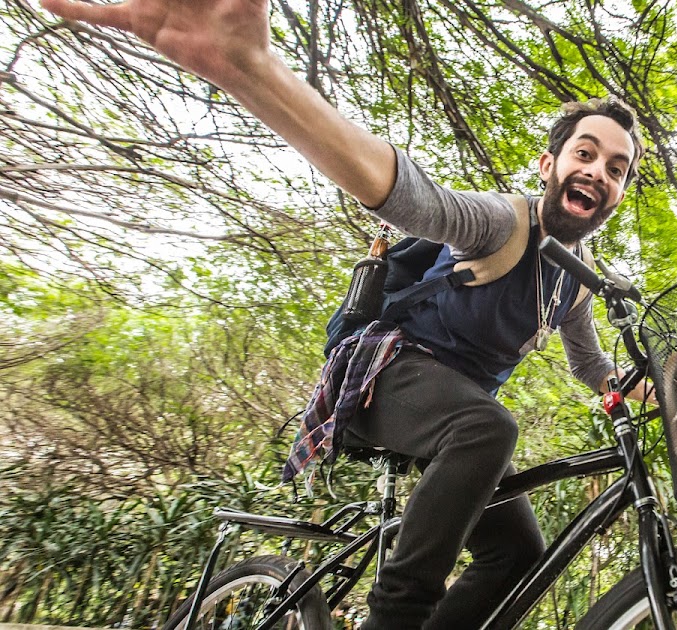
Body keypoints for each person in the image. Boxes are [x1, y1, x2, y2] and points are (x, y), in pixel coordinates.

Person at [39, 0, 646, 627]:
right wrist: (256, 72)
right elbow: (412, 199)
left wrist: (649, 386)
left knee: (518, 551)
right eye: (585, 153)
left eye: (616, 168)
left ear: (619, 193)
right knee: (488, 428)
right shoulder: (500, 221)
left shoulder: (573, 286)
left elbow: (592, 363)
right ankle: (393, 618)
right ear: (550, 165)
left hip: (449, 413)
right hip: (388, 375)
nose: (597, 171)